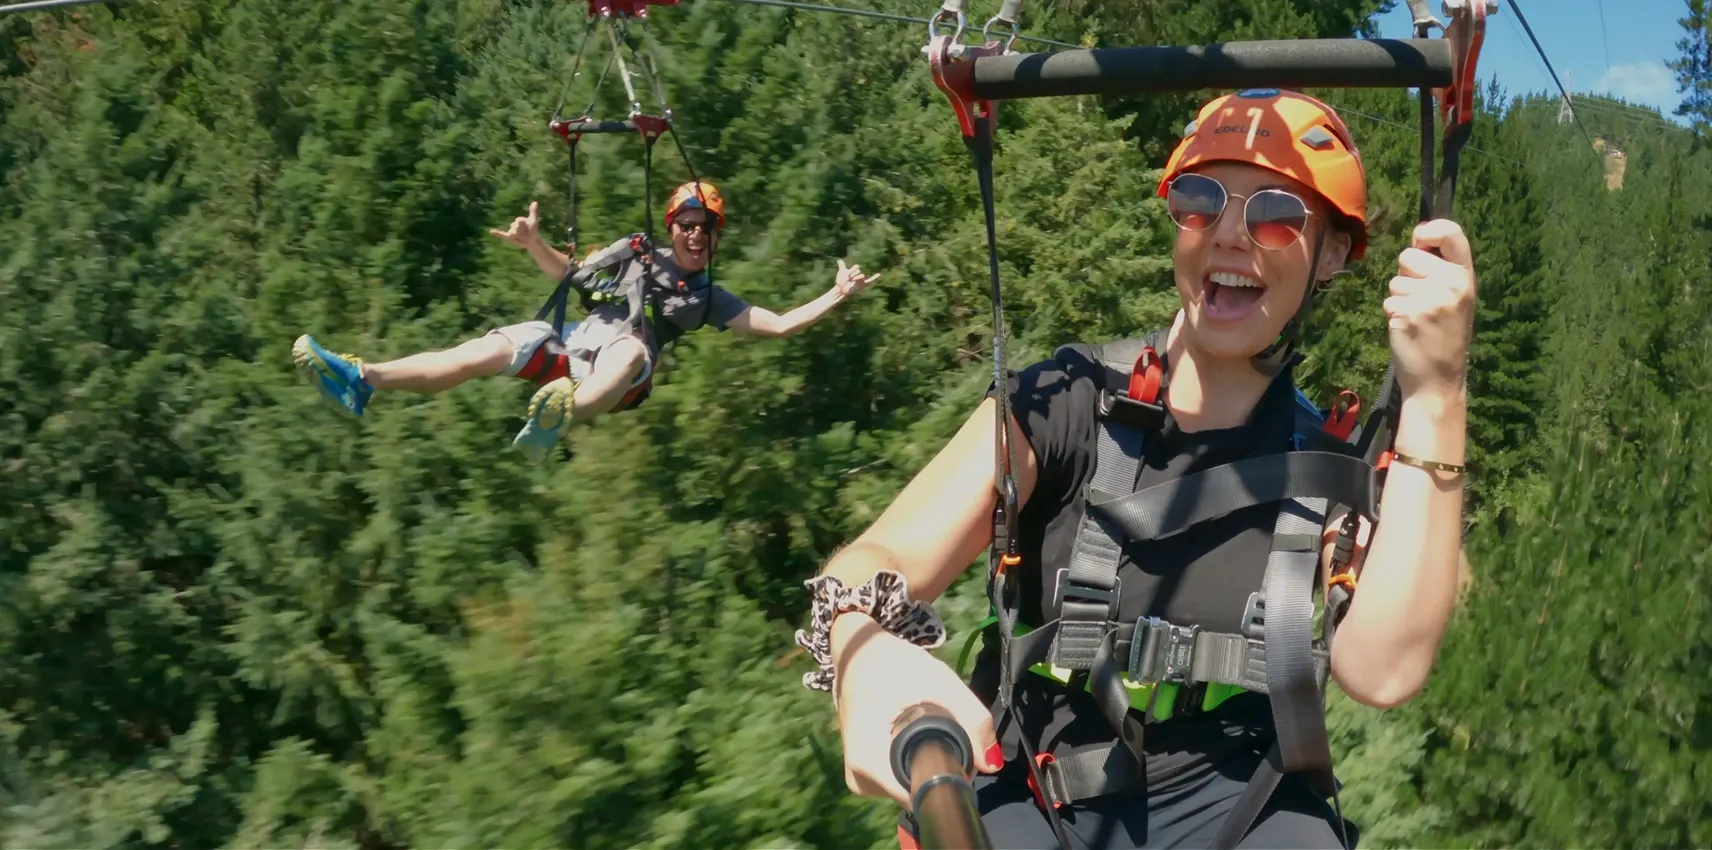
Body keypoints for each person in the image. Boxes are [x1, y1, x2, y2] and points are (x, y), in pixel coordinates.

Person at [793, 89, 1475, 849]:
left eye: (1276, 213)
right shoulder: (1064, 402)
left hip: (1235, 794)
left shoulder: (1319, 462)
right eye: (1199, 200)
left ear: (1334, 254)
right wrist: (858, 643)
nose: (1229, 236)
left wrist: (1439, 393)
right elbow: (881, 557)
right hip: (1033, 774)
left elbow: (1382, 670)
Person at [292, 180, 880, 460]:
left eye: (706, 229)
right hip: (574, 345)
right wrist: (533, 243)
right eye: (688, 226)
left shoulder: (705, 298)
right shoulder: (633, 250)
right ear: (673, 227)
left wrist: (836, 295)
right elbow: (567, 275)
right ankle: (363, 377)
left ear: (715, 237)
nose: (696, 235)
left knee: (628, 353)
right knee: (486, 349)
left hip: (623, 373)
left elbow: (776, 324)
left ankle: (560, 416)